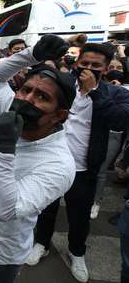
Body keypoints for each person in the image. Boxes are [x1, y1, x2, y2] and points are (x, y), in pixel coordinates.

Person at [0, 35, 77, 283]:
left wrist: (5, 149)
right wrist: (32, 54)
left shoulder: (60, 164)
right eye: (26, 89)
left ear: (60, 115)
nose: (27, 99)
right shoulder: (11, 110)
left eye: (42, 97)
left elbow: (5, 210)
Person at [26, 43, 129, 283]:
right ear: (77, 61)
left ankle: (77, 252)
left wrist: (94, 92)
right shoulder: (62, 85)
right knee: (46, 208)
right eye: (85, 63)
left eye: (96, 65)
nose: (89, 68)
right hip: (50, 163)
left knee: (79, 216)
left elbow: (120, 121)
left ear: (105, 68)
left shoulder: (115, 93)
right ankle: (42, 243)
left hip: (84, 169)